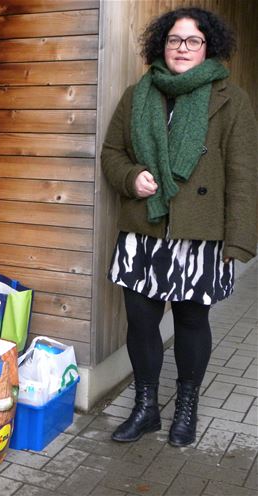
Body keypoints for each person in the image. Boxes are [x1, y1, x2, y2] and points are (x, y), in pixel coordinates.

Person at [101, 7, 257, 447]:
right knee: (141, 322)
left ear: (209, 47)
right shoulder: (139, 94)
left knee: (191, 321)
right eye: (174, 40)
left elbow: (244, 173)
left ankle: (185, 407)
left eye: (192, 40)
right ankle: (146, 407)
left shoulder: (230, 98)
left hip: (200, 234)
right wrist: (131, 177)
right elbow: (112, 152)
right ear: (160, 45)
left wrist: (239, 239)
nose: (182, 48)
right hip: (144, 231)